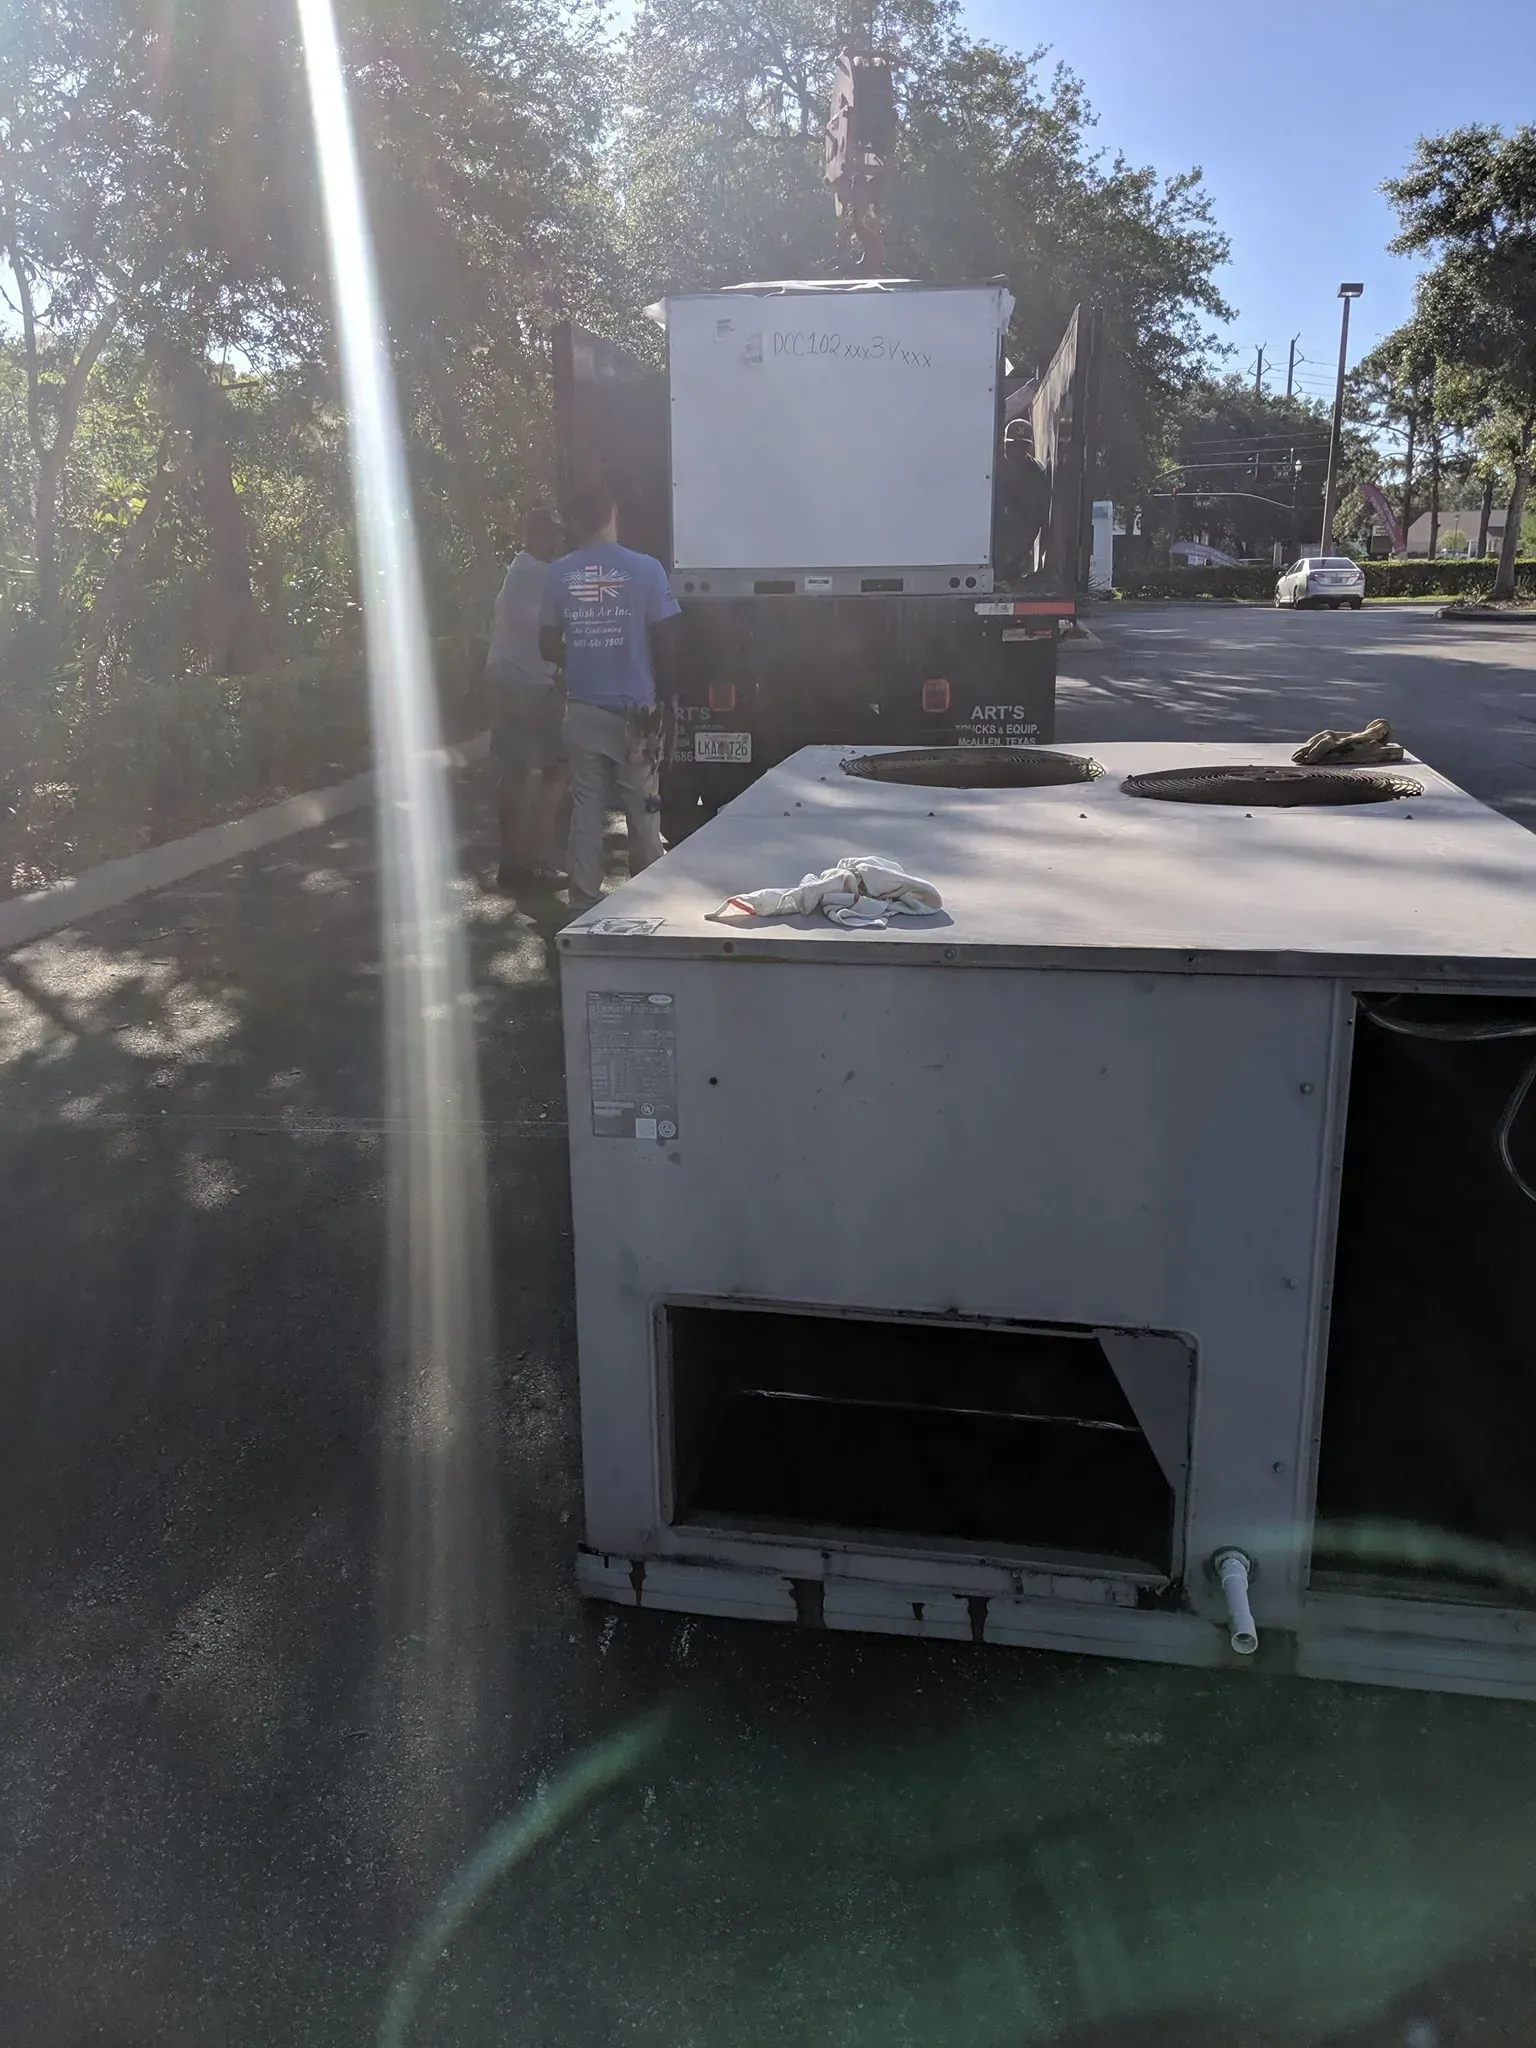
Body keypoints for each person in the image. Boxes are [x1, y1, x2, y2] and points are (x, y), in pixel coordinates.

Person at [538, 484, 681, 915]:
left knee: (586, 808)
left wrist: (582, 655)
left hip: (582, 708)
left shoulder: (558, 573)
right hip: (636, 712)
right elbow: (669, 638)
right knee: (643, 808)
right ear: (613, 511)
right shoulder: (646, 570)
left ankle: (583, 898)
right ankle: (649, 900)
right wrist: (667, 698)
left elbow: (546, 643)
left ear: (575, 522)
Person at [485, 505, 567, 889]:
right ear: (535, 535)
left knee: (514, 773)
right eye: (552, 534)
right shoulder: (542, 575)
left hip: (505, 680)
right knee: (555, 773)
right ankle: (538, 863)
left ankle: (513, 862)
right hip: (530, 686)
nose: (557, 541)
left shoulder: (516, 571)